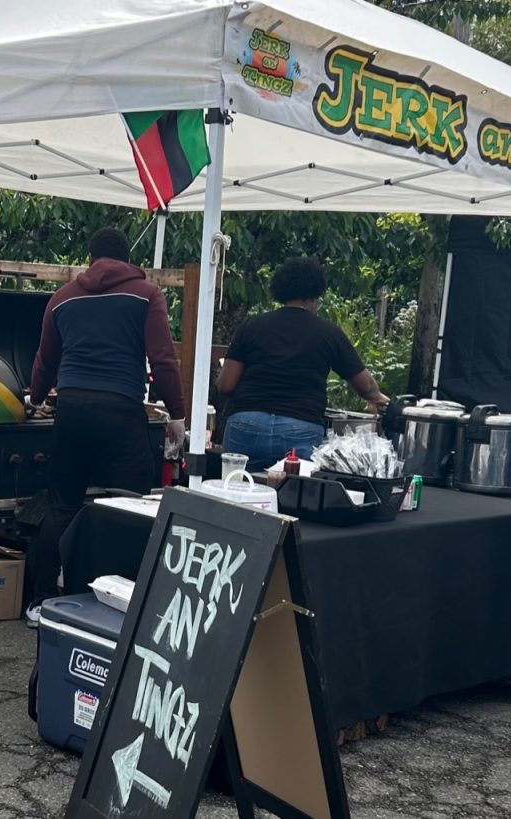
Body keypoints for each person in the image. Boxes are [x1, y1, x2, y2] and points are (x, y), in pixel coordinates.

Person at [25, 227, 185, 625]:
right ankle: (123, 602)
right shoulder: (146, 294)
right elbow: (163, 359)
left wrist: (36, 399)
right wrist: (177, 415)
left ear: (90, 257)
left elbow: (45, 360)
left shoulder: (62, 298)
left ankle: (40, 602)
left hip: (73, 409)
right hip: (121, 409)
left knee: (61, 504)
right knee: (129, 505)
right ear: (127, 258)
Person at [216, 257, 389, 471]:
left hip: (247, 424)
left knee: (234, 492)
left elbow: (226, 385)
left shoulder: (251, 326)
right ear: (315, 295)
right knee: (293, 496)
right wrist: (377, 399)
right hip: (300, 428)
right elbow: (367, 387)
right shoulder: (329, 333)